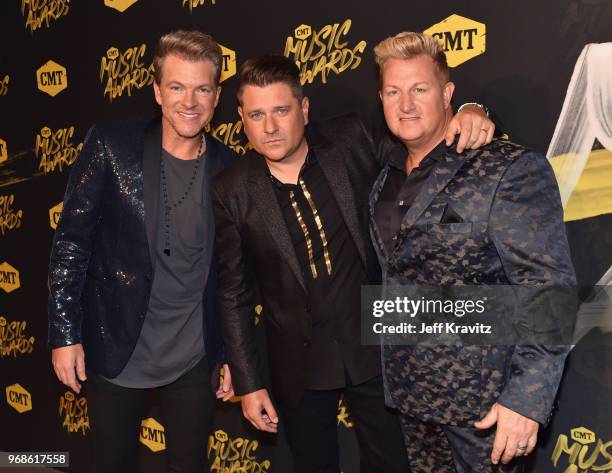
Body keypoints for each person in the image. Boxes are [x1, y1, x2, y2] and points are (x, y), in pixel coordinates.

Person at [211, 54, 494, 473]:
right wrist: (249, 383)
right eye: (256, 114)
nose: (269, 127)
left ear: (303, 110)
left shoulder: (351, 138)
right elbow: (233, 292)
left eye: (281, 111)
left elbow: (425, 144)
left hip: (375, 345)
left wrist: (473, 110)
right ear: (241, 119)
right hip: (297, 362)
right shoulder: (232, 189)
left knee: (393, 464)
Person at [370, 31, 576, 472]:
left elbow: (549, 289)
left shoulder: (508, 168)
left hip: (486, 412)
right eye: (393, 91)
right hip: (412, 401)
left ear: (447, 93)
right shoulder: (384, 176)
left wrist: (526, 401)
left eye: (419, 89)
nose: (405, 104)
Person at [48, 30, 236, 473]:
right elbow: (71, 241)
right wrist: (64, 334)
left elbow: (231, 276)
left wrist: (229, 354)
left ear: (216, 96)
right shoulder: (112, 146)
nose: (189, 101)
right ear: (156, 91)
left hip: (193, 355)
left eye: (201, 88)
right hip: (116, 345)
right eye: (176, 87)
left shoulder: (230, 168)